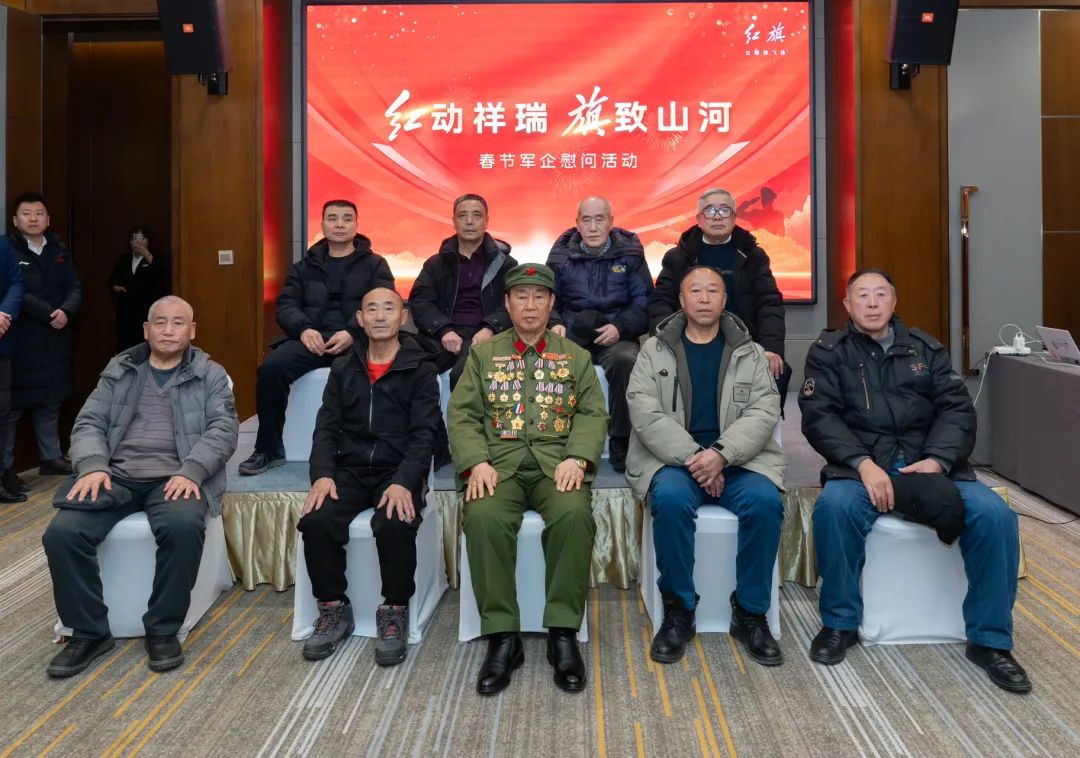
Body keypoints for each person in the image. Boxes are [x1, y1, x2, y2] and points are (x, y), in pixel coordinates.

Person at [800, 269, 1031, 694]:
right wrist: (862, 463)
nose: (872, 303)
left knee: (995, 515)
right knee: (834, 509)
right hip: (860, 468)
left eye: (881, 295)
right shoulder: (829, 353)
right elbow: (820, 417)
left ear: (894, 302)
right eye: (862, 296)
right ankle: (840, 623)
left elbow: (957, 410)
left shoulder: (927, 349)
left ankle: (990, 640)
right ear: (847, 305)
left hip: (930, 465)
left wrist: (938, 461)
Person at [41, 296, 239, 678]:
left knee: (183, 527)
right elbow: (88, 423)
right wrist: (93, 466)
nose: (168, 330)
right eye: (160, 323)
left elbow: (223, 430)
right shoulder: (121, 369)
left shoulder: (210, 374)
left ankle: (163, 629)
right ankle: (89, 632)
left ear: (192, 331)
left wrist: (192, 471)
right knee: (62, 534)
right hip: (115, 475)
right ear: (146, 330)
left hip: (176, 477)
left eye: (178, 323)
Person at [448, 263, 607, 695]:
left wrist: (578, 457)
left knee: (573, 516)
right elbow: (461, 415)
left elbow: (593, 414)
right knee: (484, 517)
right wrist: (476, 462)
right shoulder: (483, 355)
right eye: (521, 296)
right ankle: (503, 636)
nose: (530, 305)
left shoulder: (575, 356)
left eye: (539, 296)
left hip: (558, 466)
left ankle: (562, 632)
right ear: (507, 303)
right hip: (498, 466)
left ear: (552, 303)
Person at [627, 266, 786, 666]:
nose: (703, 298)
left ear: (724, 299)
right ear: (681, 300)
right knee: (669, 499)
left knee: (765, 502)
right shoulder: (654, 349)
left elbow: (764, 411)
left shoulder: (750, 352)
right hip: (676, 461)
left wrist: (720, 454)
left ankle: (750, 613)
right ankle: (679, 610)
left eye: (712, 291)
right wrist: (696, 459)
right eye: (694, 291)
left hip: (738, 460)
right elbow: (644, 413)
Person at [297, 287, 439, 666]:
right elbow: (326, 428)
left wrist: (405, 481)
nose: (379, 316)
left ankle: (394, 611)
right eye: (371, 309)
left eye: (388, 309)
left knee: (393, 521)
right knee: (317, 519)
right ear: (359, 319)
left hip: (398, 469)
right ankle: (333, 608)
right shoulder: (344, 367)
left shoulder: (420, 368)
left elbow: (425, 435)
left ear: (402, 317)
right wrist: (323, 474)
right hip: (350, 468)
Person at [239, 199, 394, 475]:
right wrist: (304, 330)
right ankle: (268, 449)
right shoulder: (304, 266)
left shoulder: (375, 265)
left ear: (356, 226)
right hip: (311, 339)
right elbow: (286, 305)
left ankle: (372, 451)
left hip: (357, 339)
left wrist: (353, 331)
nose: (339, 224)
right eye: (332, 218)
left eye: (346, 219)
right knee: (271, 369)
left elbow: (384, 303)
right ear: (322, 225)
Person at [648, 188, 790, 406]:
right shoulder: (679, 257)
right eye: (710, 211)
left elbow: (769, 303)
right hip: (690, 341)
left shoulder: (752, 256)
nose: (717, 217)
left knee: (774, 368)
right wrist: (668, 342)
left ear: (734, 217)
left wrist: (770, 347)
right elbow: (661, 302)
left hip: (743, 341)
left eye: (724, 210)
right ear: (699, 219)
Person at [546, 196, 652, 472]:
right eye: (586, 220)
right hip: (573, 331)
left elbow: (644, 303)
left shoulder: (630, 255)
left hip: (616, 333)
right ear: (577, 223)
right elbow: (548, 298)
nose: (593, 227)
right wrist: (554, 322)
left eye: (599, 219)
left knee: (625, 360)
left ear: (611, 222)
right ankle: (556, 438)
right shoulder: (560, 256)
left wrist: (620, 327)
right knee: (551, 359)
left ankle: (621, 439)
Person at [4, 192, 82, 492]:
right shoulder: (7, 249)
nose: (33, 218)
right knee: (13, 406)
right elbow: (15, 290)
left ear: (48, 219)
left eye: (39, 213)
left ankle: (51, 457)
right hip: (21, 336)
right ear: (15, 220)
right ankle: (6, 468)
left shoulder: (58, 248)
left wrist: (67, 310)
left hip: (55, 336)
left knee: (52, 398)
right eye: (26, 213)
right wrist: (49, 312)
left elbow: (75, 285)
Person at [410, 194, 517, 388]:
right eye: (462, 216)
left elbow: (512, 303)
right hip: (442, 335)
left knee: (465, 376)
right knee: (413, 371)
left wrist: (490, 329)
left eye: (476, 215)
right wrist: (444, 330)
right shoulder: (436, 263)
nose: (469, 221)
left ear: (486, 221)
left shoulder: (505, 264)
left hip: (486, 335)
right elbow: (420, 301)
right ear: (453, 222)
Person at [109, 226, 171, 351]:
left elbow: (161, 274)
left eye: (141, 238)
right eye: (133, 239)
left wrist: (146, 254)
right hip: (126, 311)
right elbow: (112, 280)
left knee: (146, 346)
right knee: (126, 347)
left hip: (147, 310)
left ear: (148, 241)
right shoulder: (124, 259)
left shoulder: (156, 258)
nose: (136, 242)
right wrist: (115, 287)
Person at [0, 233, 24, 502]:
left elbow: (16, 283)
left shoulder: (2, 244)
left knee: (2, 412)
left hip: (2, 341)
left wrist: (3, 313)